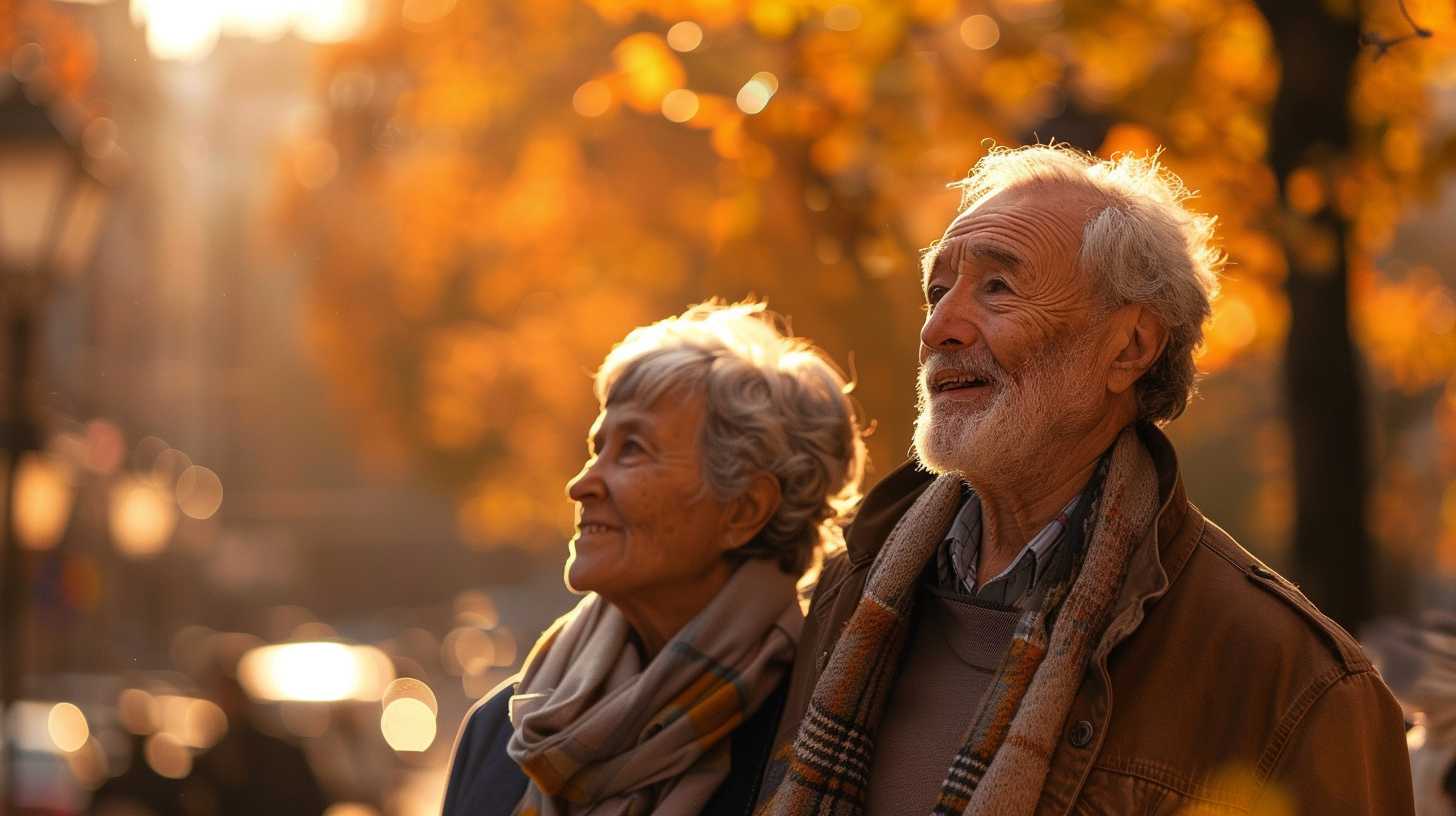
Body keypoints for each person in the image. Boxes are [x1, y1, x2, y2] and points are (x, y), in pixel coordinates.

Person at [756, 145, 1415, 814]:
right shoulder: (854, 585)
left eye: (997, 288)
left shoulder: (1290, 678)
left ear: (1128, 348)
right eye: (937, 291)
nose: (938, 328)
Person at [443, 301, 867, 815]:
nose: (581, 484)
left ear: (744, 509)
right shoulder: (501, 731)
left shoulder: (818, 742)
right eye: (596, 448)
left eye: (633, 449)